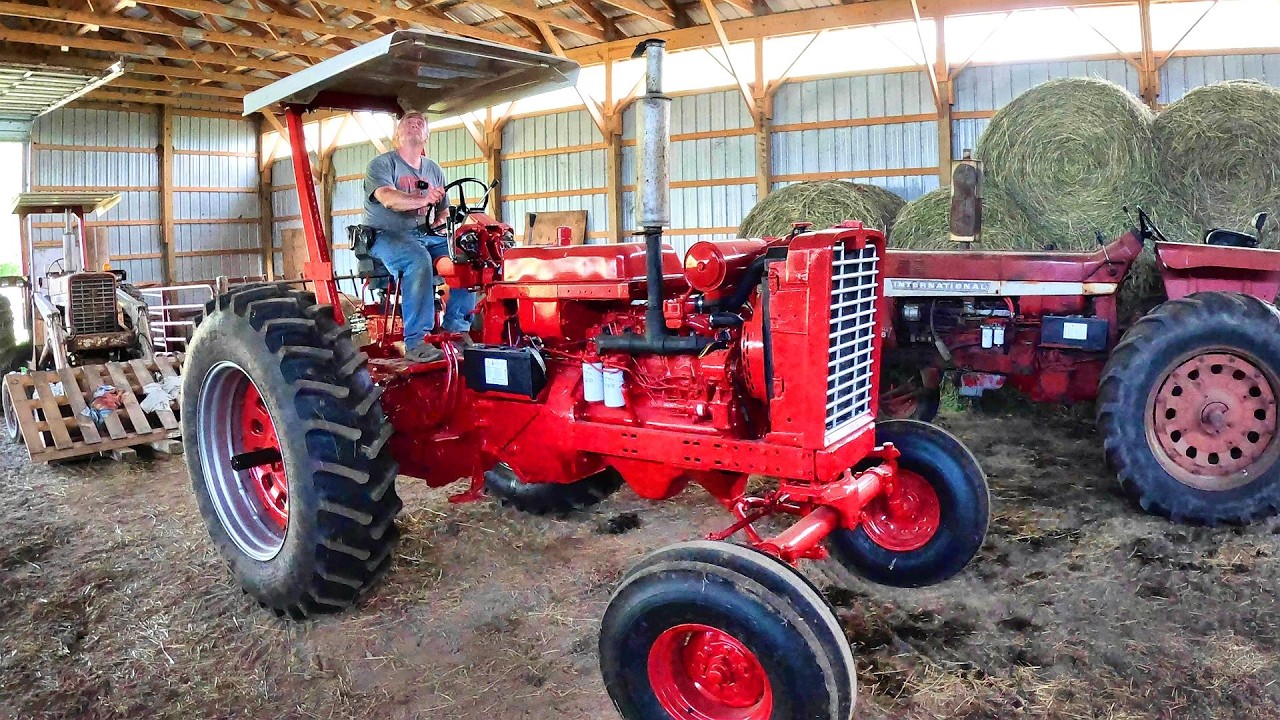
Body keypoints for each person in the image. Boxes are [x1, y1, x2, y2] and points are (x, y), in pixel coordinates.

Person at [362, 111, 475, 362]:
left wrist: (440, 220)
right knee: (418, 258)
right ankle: (417, 342)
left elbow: (444, 209)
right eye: (408, 123)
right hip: (386, 236)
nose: (415, 124)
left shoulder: (433, 169)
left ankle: (456, 328)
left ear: (427, 135)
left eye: (420, 123)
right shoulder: (382, 165)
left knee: (467, 256)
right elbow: (387, 198)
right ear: (397, 135)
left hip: (426, 235)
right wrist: (423, 199)